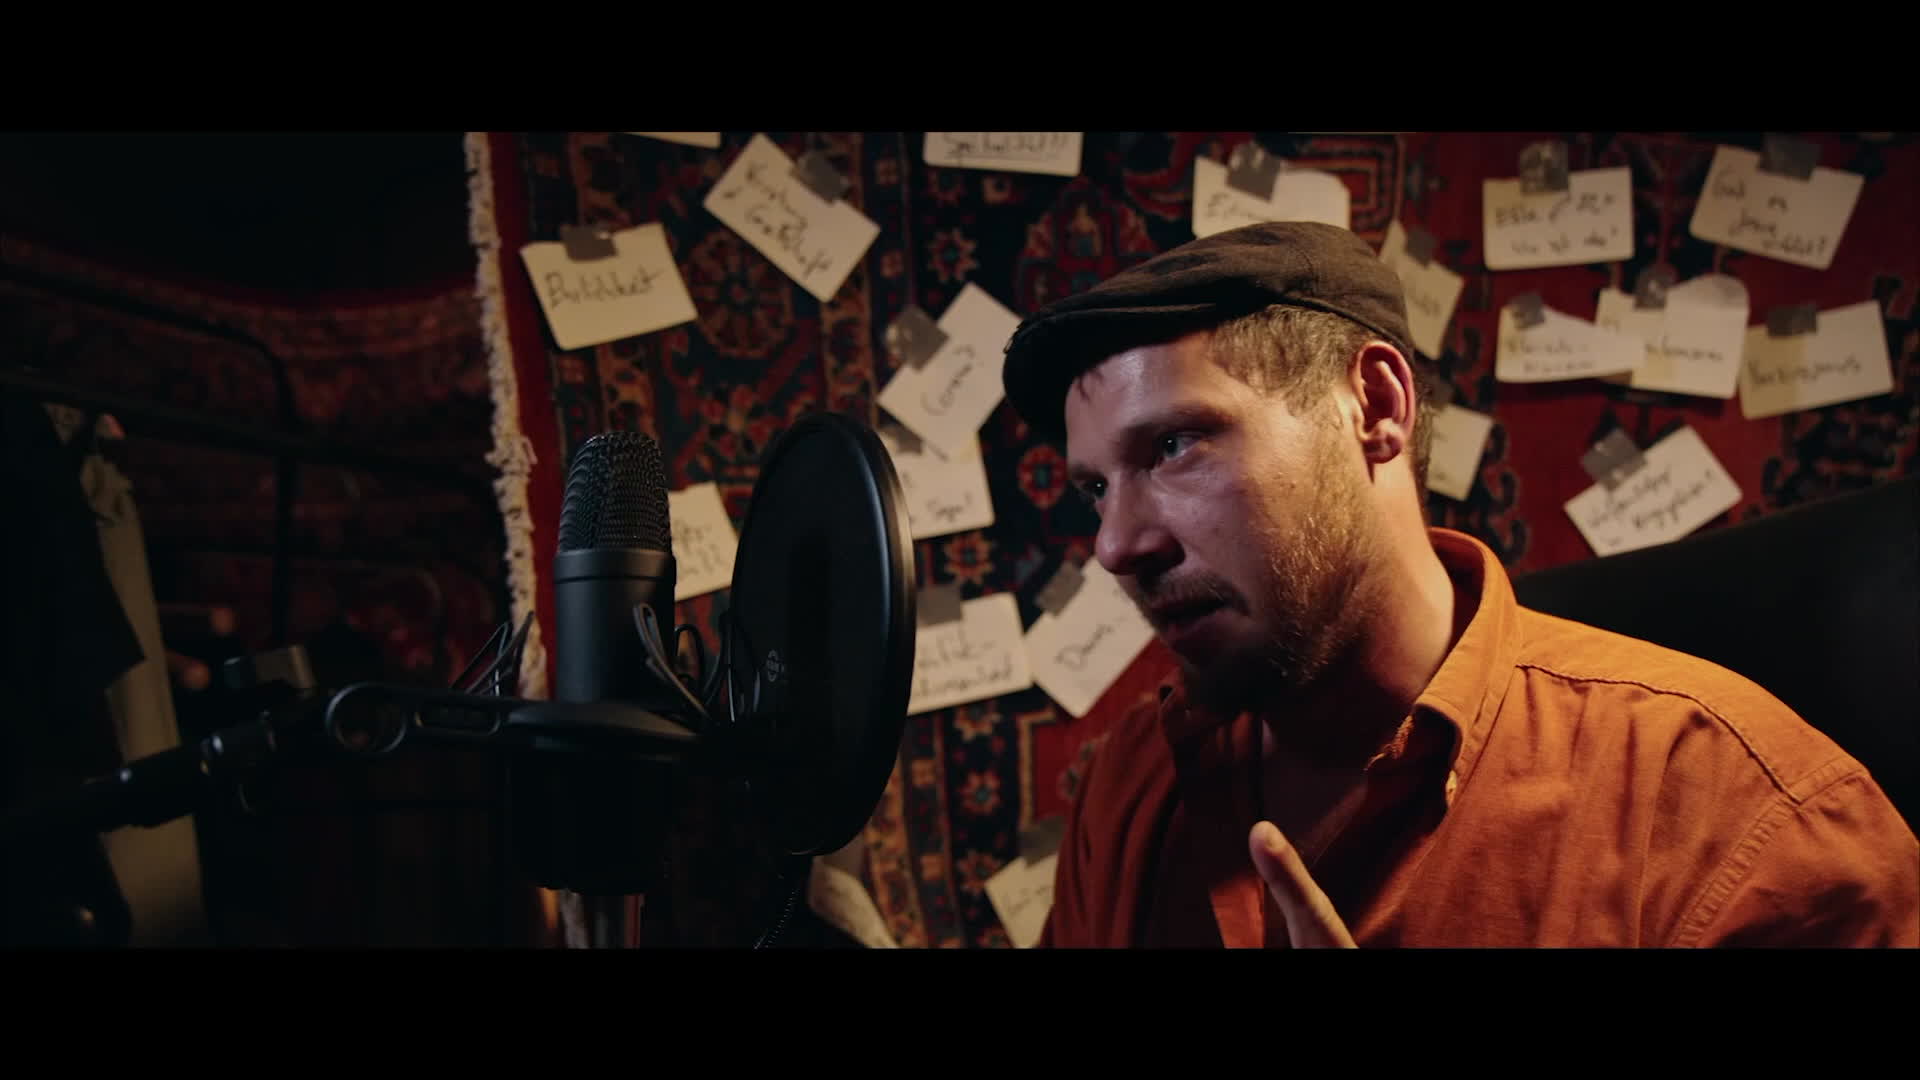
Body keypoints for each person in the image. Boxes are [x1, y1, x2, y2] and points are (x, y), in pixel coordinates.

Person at [999, 221, 1919, 947]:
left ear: (1376, 406)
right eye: (1094, 488)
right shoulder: (1134, 778)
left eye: (1173, 445)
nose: (1115, 544)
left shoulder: (1740, 819)